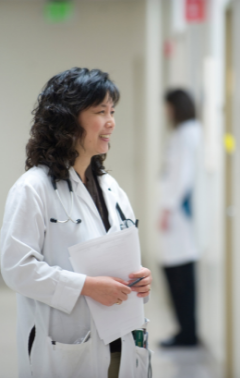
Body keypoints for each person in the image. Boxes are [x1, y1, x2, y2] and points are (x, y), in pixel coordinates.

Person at [0, 67, 153, 378]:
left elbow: (122, 254)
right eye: (100, 111)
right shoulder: (32, 188)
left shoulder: (111, 187)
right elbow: (17, 269)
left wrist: (141, 280)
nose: (111, 122)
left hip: (120, 341)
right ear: (68, 120)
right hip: (67, 346)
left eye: (112, 111)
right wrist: (86, 287)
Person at [158, 89, 202, 347]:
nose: (166, 112)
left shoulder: (187, 133)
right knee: (176, 270)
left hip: (179, 215)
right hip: (178, 214)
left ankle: (187, 333)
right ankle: (185, 331)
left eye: (167, 107)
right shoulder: (186, 133)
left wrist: (167, 207)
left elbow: (181, 175)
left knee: (180, 274)